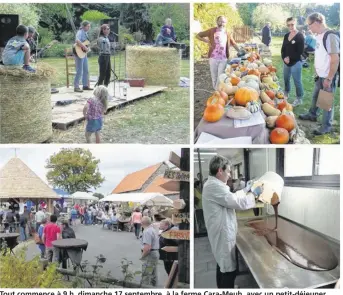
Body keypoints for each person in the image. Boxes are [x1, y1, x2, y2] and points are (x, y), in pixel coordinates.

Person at [202, 155, 263, 288]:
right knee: (228, 270)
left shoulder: (214, 184)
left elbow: (231, 197)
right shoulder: (214, 186)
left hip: (220, 231)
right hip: (222, 234)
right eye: (228, 171)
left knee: (222, 265)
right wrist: (254, 194)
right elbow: (238, 203)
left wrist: (246, 190)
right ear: (220, 171)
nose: (229, 175)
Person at [299, 12, 340, 135]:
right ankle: (312, 114)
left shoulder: (330, 36)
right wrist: (317, 71)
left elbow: (335, 59)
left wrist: (329, 78)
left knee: (326, 102)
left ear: (317, 22)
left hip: (328, 76)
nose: (309, 28)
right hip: (320, 75)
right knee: (315, 96)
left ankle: (326, 126)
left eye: (309, 25)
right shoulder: (318, 35)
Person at [196, 16, 241, 90]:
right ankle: (216, 90)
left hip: (223, 58)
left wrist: (240, 51)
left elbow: (233, 43)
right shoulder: (211, 31)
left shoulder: (227, 32)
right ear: (217, 21)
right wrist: (207, 41)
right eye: (220, 21)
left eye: (223, 21)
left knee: (220, 76)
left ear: (225, 23)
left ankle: (218, 91)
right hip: (213, 58)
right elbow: (198, 36)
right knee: (214, 76)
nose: (221, 23)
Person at [281, 17, 305, 107]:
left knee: (297, 81)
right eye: (288, 25)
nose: (290, 26)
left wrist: (289, 58)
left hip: (296, 62)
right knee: (286, 78)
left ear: (296, 24)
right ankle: (286, 93)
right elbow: (283, 49)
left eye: (292, 24)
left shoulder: (300, 36)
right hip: (286, 62)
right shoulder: (286, 35)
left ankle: (299, 98)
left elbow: (300, 51)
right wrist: (284, 58)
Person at [140, 216, 159, 287]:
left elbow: (147, 247)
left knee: (146, 274)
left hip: (150, 255)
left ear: (142, 223)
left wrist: (142, 256)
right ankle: (154, 287)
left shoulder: (147, 231)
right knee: (153, 272)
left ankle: (145, 289)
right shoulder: (152, 229)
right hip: (154, 253)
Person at [74, 20, 92, 93]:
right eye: (88, 26)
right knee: (79, 71)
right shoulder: (80, 32)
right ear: (84, 26)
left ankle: (85, 85)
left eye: (89, 26)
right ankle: (76, 86)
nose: (89, 27)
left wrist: (87, 48)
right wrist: (84, 47)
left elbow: (85, 43)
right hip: (79, 53)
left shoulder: (85, 33)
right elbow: (77, 41)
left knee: (86, 70)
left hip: (83, 54)